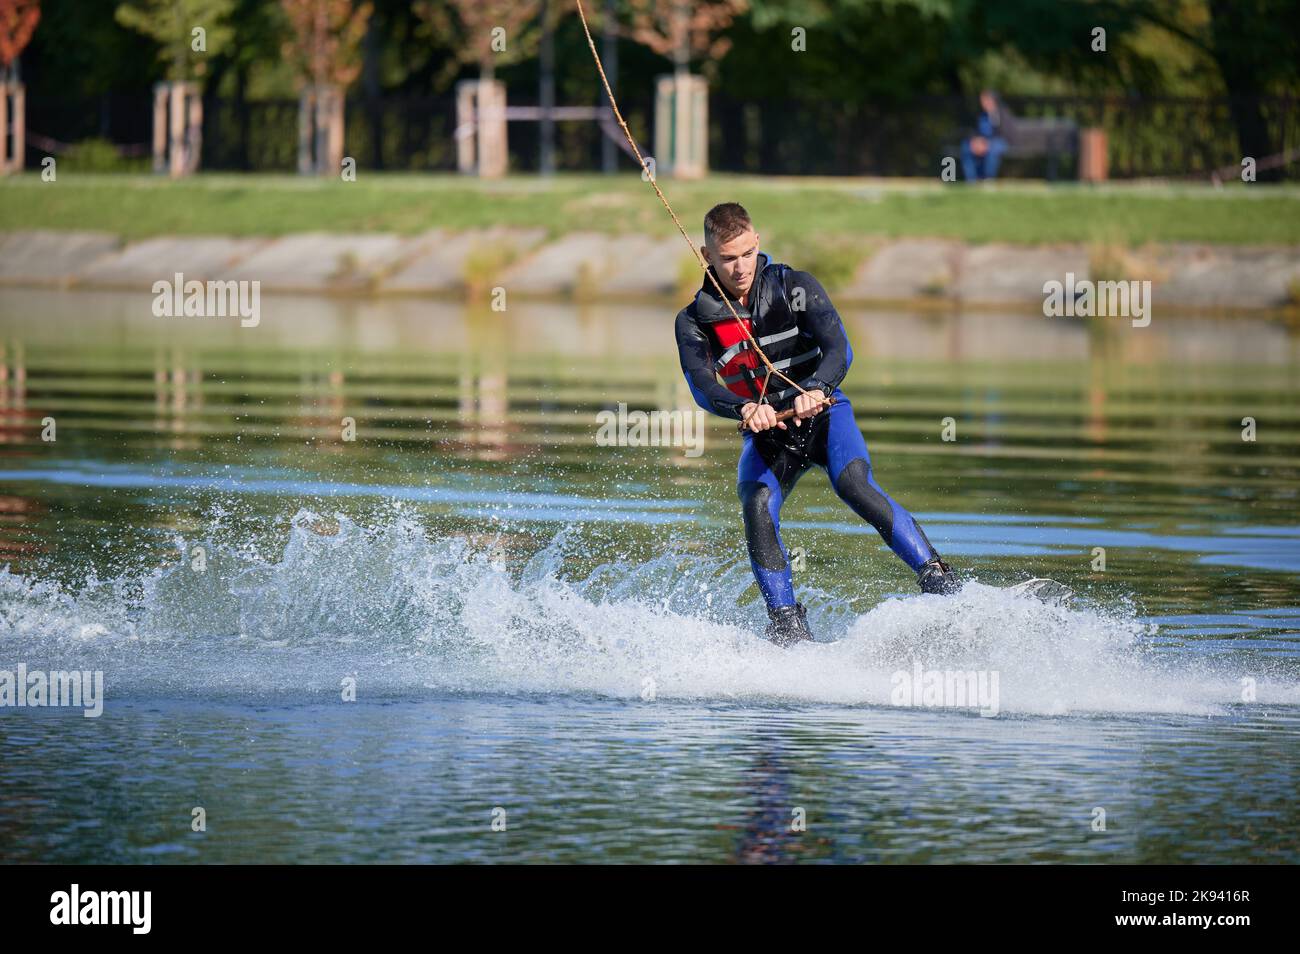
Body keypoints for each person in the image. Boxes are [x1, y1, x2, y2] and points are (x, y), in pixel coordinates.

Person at [674, 202, 960, 648]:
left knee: (854, 487)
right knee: (755, 505)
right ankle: (787, 623)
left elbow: (838, 349)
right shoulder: (694, 322)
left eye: (747, 254)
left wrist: (817, 387)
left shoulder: (795, 287)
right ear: (706, 255)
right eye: (727, 258)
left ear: (757, 243)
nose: (740, 267)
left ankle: (940, 581)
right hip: (769, 432)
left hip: (825, 416)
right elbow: (701, 385)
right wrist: (744, 409)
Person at [961, 89, 1009, 182]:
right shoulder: (981, 115)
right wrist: (975, 141)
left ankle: (988, 179)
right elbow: (975, 131)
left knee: (992, 150)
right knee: (966, 147)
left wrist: (986, 143)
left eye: (985, 100)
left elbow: (1004, 133)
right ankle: (972, 180)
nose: (983, 103)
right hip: (982, 142)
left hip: (999, 142)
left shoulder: (1002, 114)